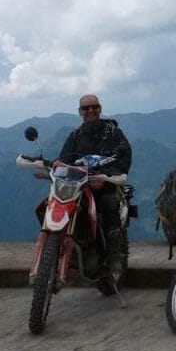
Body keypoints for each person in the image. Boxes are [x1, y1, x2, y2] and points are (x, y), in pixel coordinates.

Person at [49, 94, 132, 268]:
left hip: (106, 185)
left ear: (100, 109)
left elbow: (123, 158)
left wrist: (105, 179)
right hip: (79, 187)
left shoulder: (113, 133)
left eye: (94, 107)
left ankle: (114, 255)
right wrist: (55, 167)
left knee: (108, 204)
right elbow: (65, 159)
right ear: (80, 112)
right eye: (86, 108)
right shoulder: (76, 135)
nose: (90, 111)